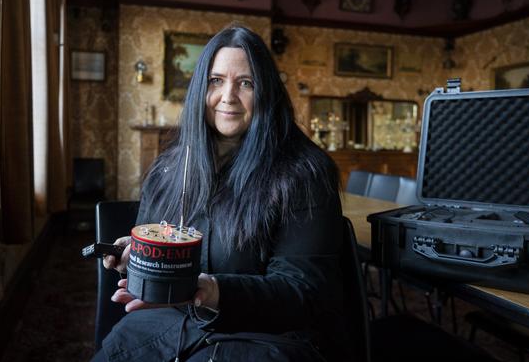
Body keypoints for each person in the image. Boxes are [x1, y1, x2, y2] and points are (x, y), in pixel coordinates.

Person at [93, 25, 352, 362]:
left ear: (267, 92)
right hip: (168, 326)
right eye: (216, 81)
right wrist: (140, 258)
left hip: (264, 338)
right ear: (201, 88)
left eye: (246, 83)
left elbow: (305, 292)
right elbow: (161, 257)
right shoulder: (169, 168)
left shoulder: (303, 173)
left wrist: (214, 291)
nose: (228, 96)